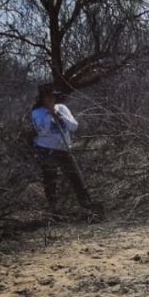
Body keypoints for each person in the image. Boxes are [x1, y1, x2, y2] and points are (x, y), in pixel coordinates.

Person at [29, 84, 101, 217]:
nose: (52, 99)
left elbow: (74, 126)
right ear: (43, 98)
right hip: (46, 150)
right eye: (49, 97)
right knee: (50, 181)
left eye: (53, 96)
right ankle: (54, 211)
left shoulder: (62, 108)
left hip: (64, 149)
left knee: (76, 177)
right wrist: (49, 115)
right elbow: (41, 131)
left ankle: (88, 207)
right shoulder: (36, 113)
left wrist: (59, 115)